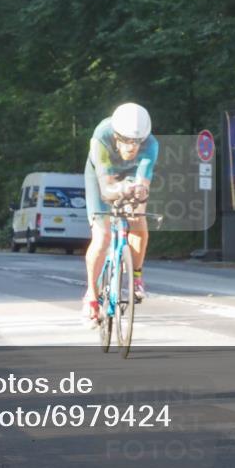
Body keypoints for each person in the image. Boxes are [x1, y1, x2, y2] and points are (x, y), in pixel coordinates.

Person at [82, 103, 159, 325]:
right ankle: (92, 295)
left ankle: (136, 277)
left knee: (138, 218)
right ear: (116, 135)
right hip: (101, 177)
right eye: (126, 141)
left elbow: (143, 184)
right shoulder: (101, 138)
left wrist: (138, 191)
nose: (132, 147)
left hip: (131, 176)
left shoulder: (151, 145)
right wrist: (119, 189)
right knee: (102, 236)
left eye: (137, 142)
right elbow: (106, 190)